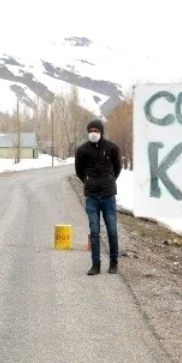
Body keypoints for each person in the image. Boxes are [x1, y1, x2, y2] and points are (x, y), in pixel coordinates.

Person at [74, 118, 122, 275]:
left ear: (102, 132)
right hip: (92, 198)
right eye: (91, 131)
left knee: (112, 230)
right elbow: (79, 171)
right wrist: (89, 182)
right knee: (94, 231)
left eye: (96, 131)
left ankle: (114, 263)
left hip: (108, 196)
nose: (93, 134)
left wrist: (108, 181)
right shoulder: (82, 151)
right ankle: (96, 265)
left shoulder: (112, 148)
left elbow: (117, 167)